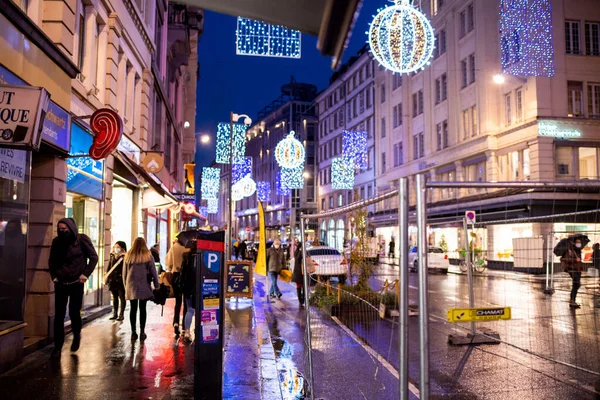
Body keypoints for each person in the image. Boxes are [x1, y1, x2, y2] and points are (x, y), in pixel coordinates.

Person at [48, 218, 98, 358]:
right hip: (61, 282)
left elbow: (93, 257)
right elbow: (51, 261)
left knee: (74, 312)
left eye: (65, 229)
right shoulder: (56, 242)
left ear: (71, 228)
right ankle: (57, 347)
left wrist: (85, 274)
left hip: (77, 282)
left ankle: (77, 335)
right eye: (60, 229)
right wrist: (54, 276)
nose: (62, 231)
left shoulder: (81, 240)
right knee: (59, 315)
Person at [123, 237, 159, 341]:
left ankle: (133, 332)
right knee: (142, 309)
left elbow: (124, 273)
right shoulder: (148, 256)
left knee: (133, 309)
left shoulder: (128, 256)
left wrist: (126, 286)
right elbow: (153, 272)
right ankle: (142, 332)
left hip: (131, 285)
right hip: (144, 285)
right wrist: (157, 285)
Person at [166, 235, 190, 336]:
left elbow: (168, 262)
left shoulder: (174, 247)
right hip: (187, 276)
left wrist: (173, 267)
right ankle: (184, 326)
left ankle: (176, 323)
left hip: (176, 276)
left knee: (178, 301)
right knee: (186, 302)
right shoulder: (188, 248)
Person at [180, 241, 198, 344]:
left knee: (190, 309)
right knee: (199, 310)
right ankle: (197, 330)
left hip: (187, 287)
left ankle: (187, 332)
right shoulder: (202, 256)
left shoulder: (186, 256)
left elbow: (183, 272)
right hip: (198, 287)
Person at [106, 241, 127, 321]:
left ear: (122, 248)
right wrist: (107, 276)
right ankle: (115, 313)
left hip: (121, 280)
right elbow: (109, 267)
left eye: (118, 247)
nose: (116, 249)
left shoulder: (125, 257)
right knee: (114, 297)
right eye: (115, 247)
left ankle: (121, 314)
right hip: (113, 279)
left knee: (122, 297)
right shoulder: (112, 255)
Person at [561, 238, 585, 308]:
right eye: (577, 242)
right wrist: (575, 259)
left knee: (576, 284)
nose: (579, 243)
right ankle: (572, 300)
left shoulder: (578, 250)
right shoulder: (569, 250)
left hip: (578, 269)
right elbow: (564, 259)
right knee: (577, 283)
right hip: (572, 269)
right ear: (574, 243)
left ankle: (572, 300)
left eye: (579, 242)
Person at [291, 238, 305, 307]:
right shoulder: (300, 253)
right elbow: (299, 257)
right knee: (301, 286)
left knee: (301, 286)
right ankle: (301, 300)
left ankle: (302, 300)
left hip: (300, 273)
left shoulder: (297, 253)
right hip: (300, 273)